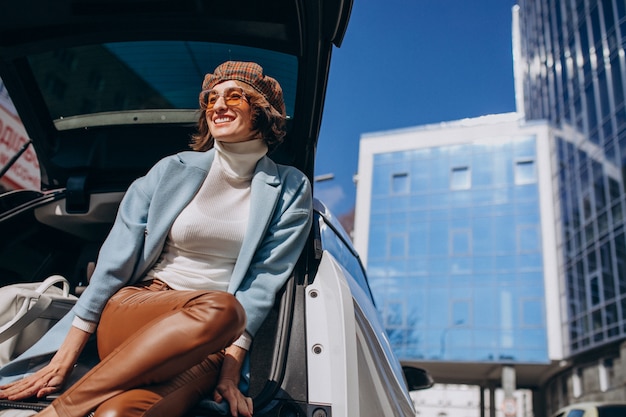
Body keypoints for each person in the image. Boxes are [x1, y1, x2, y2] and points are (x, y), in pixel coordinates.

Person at [0, 61, 313, 417]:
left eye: (234, 96)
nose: (219, 106)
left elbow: (261, 286)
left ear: (263, 112)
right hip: (136, 310)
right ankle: (59, 413)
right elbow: (114, 262)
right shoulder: (171, 169)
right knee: (224, 308)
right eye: (211, 100)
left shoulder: (289, 188)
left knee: (119, 414)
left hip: (209, 344)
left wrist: (228, 374)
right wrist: (64, 358)